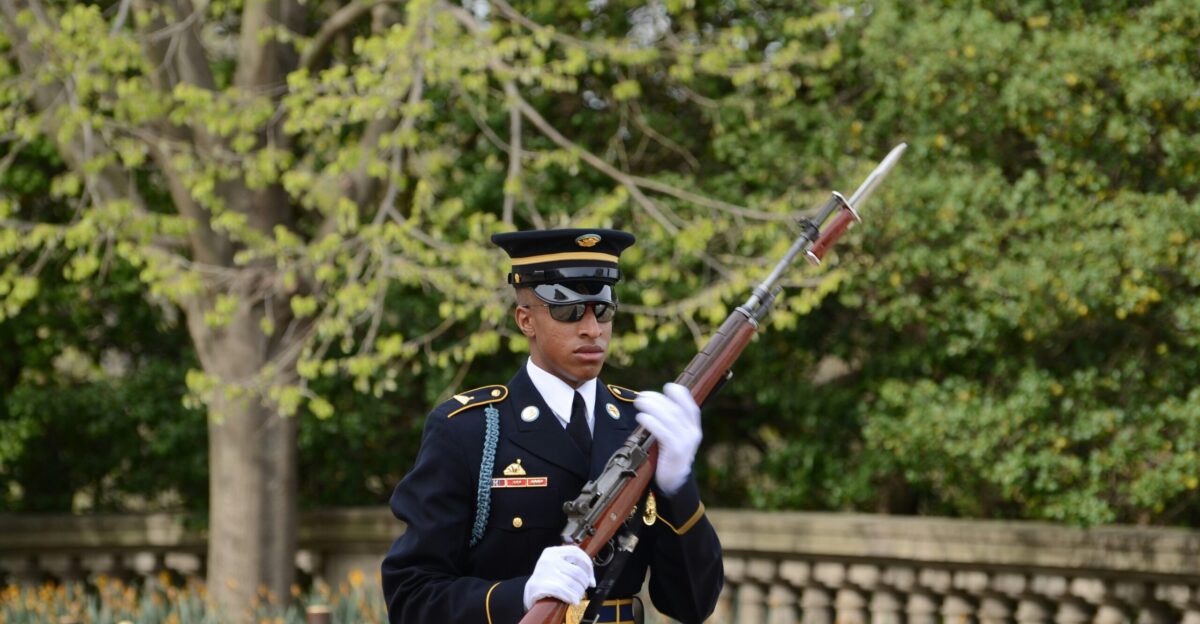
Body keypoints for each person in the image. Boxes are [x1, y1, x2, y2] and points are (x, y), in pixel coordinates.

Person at [381, 228, 723, 624]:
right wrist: (518, 596)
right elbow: (411, 596)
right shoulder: (469, 431)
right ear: (526, 320)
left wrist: (679, 488)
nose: (592, 329)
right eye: (569, 311)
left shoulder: (641, 426)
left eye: (604, 310)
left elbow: (693, 603)